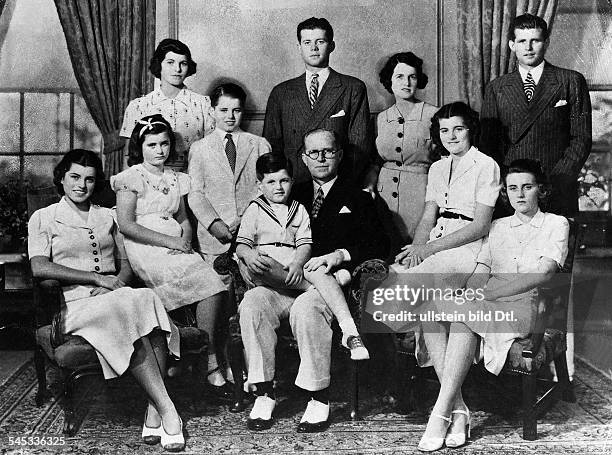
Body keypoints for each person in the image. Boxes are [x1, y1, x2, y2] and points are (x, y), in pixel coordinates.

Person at [28, 149, 185, 451]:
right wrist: (96, 278)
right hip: (74, 307)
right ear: (61, 178)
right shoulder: (44, 217)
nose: (81, 185)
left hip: (114, 297)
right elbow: (39, 267)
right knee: (129, 305)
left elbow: (125, 265)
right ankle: (167, 408)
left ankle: (154, 410)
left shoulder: (108, 216)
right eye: (74, 177)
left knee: (144, 298)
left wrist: (117, 283)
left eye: (89, 179)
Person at [238, 129, 389, 433]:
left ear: (339, 155)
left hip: (325, 284)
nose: (321, 158)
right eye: (314, 153)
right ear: (304, 159)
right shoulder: (289, 192)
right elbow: (249, 235)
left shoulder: (359, 196)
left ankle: (318, 397)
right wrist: (244, 258)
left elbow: (382, 244)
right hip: (282, 282)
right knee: (252, 303)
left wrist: (340, 255)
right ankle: (263, 392)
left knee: (307, 308)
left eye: (328, 151)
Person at [416, 159, 569, 451]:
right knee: (431, 310)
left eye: (527, 186)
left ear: (541, 190)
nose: (520, 194)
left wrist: (489, 296)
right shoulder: (497, 226)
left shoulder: (555, 223)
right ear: (506, 193)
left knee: (460, 316)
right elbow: (481, 271)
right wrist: (472, 294)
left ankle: (441, 414)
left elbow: (544, 273)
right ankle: (457, 411)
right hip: (487, 301)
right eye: (513, 188)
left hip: (527, 307)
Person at [112, 115, 233, 400]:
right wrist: (170, 242)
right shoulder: (131, 178)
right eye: (151, 144)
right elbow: (127, 224)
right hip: (144, 245)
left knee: (213, 282)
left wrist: (185, 241)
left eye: (164, 143)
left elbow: (183, 218)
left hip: (175, 243)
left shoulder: (177, 178)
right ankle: (196, 359)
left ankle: (204, 355)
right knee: (198, 278)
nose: (159, 150)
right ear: (139, 147)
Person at [236, 152, 369, 360]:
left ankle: (349, 331)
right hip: (266, 270)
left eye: (284, 181)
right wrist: (249, 255)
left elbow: (305, 244)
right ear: (259, 185)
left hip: (293, 267)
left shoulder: (299, 209)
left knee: (315, 267)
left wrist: (298, 263)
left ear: (292, 181)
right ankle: (322, 287)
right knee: (265, 263)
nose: (278, 187)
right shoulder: (255, 209)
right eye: (271, 182)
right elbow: (241, 244)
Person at [480, 13, 592, 217]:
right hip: (512, 191)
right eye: (522, 41)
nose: (528, 47)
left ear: (546, 42)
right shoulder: (497, 88)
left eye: (535, 40)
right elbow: (488, 144)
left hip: (555, 186)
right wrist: (509, 184)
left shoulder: (570, 81)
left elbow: (581, 138)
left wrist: (556, 180)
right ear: (512, 45)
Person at [393, 102, 501, 288]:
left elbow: (481, 225)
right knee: (389, 277)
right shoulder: (437, 168)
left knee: (406, 289)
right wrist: (417, 249)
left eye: (458, 129)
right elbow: (428, 218)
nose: (451, 136)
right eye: (444, 130)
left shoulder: (486, 165)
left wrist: (429, 249)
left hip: (464, 249)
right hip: (434, 241)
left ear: (471, 130)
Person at [263, 17, 371, 185]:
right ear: (299, 47)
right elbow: (271, 147)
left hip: (338, 186)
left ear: (332, 46)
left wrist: (342, 187)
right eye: (307, 42)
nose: (313, 48)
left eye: (320, 41)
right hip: (293, 186)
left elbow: (359, 147)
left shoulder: (352, 88)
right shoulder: (281, 92)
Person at [188, 83, 271, 265]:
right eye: (223, 110)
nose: (230, 116)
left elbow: (267, 188)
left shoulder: (259, 144)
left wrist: (246, 219)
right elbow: (196, 194)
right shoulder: (199, 148)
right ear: (212, 111)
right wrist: (213, 223)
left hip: (253, 235)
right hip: (214, 239)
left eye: (236, 110)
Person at [364, 52, 438, 251]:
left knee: (416, 252)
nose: (406, 82)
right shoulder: (380, 119)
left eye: (412, 76)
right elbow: (374, 161)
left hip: (421, 194)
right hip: (383, 195)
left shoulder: (433, 115)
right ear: (390, 80)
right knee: (384, 249)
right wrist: (370, 186)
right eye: (399, 76)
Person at [120, 39, 215, 170]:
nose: (178, 69)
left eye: (183, 63)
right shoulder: (138, 106)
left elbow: (212, 154)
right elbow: (128, 157)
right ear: (159, 65)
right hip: (149, 184)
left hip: (193, 181)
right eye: (170, 62)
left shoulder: (203, 104)